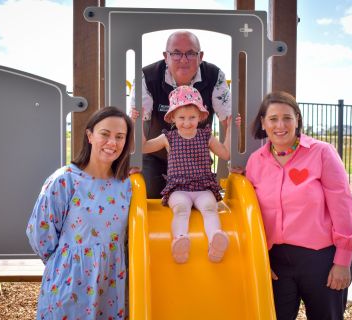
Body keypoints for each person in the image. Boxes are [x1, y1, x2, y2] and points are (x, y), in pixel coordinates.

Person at [242, 91, 352, 319]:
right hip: (276, 264)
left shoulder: (322, 153)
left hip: (322, 260)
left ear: (297, 119)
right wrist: (261, 259)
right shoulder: (256, 161)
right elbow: (252, 214)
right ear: (263, 123)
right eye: (273, 118)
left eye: (287, 117)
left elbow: (343, 206)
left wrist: (343, 260)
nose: (280, 125)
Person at [26, 107, 133, 319]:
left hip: (111, 286)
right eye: (105, 134)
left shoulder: (126, 186)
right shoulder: (65, 180)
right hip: (69, 285)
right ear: (90, 135)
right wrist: (68, 262)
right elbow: (40, 234)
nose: (112, 142)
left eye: (120, 137)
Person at [133, 85, 231, 264]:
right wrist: (136, 124)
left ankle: (215, 240)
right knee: (181, 210)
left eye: (192, 117)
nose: (187, 122)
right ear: (172, 118)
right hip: (179, 189)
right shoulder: (168, 138)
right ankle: (180, 240)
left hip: (203, 188)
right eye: (181, 118)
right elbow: (143, 147)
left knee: (210, 208)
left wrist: (231, 128)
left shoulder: (206, 136)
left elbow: (225, 153)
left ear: (201, 116)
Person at [131, 30, 231, 198]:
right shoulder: (147, 77)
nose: (184, 60)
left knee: (203, 199)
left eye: (191, 53)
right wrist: (132, 160)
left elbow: (229, 121)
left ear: (200, 56)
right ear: (166, 56)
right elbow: (136, 121)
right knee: (149, 194)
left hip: (195, 159)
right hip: (157, 157)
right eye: (176, 53)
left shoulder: (214, 76)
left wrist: (234, 161)